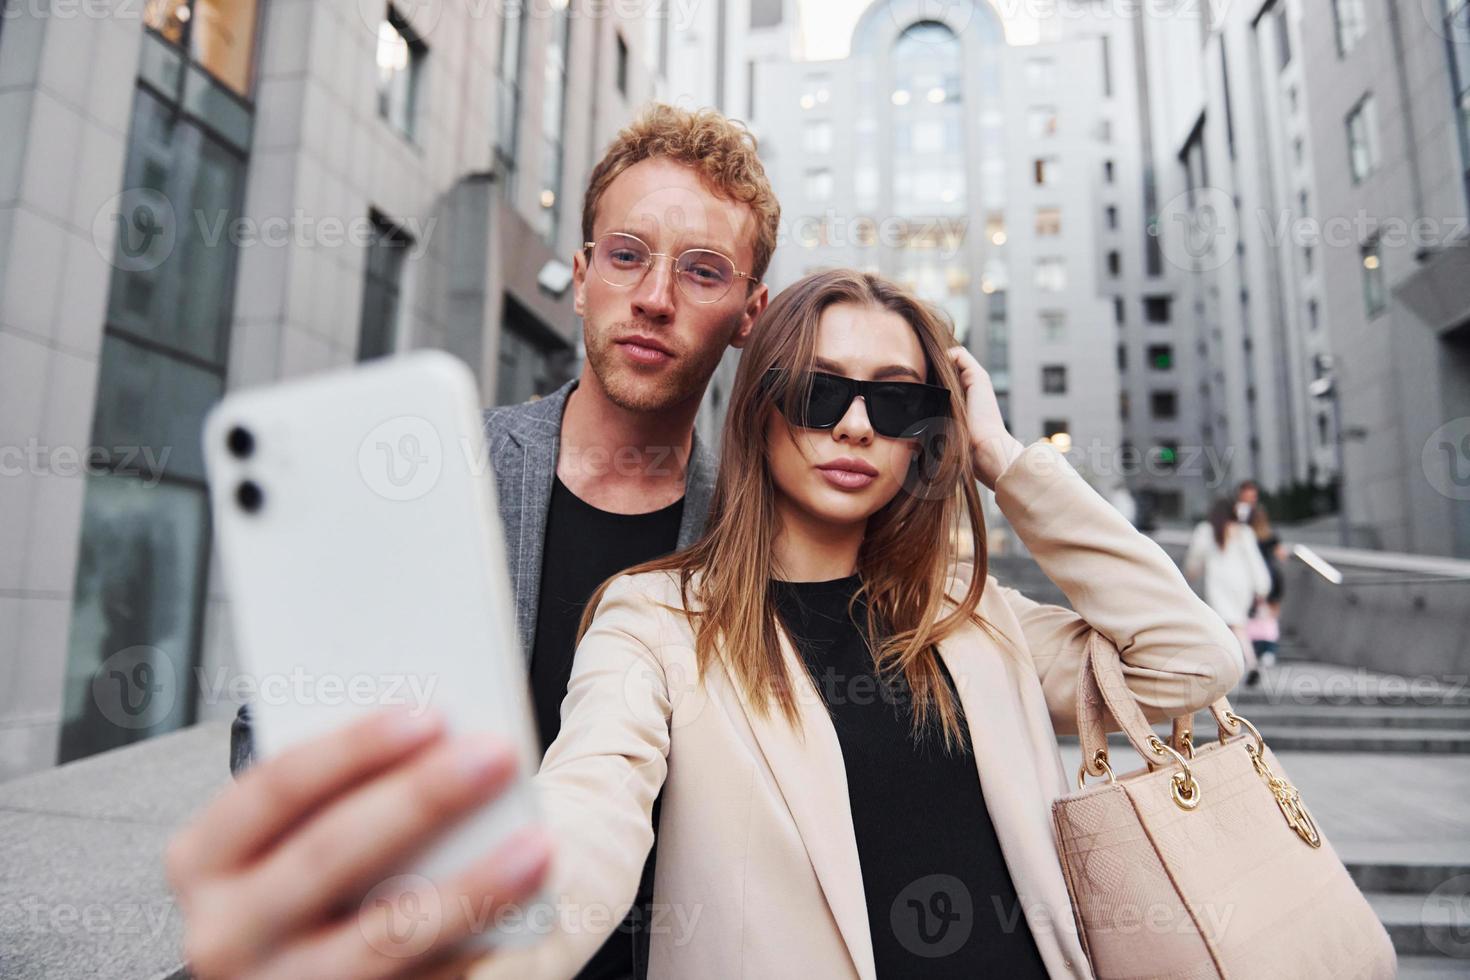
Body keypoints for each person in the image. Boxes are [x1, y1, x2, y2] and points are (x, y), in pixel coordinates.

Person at [463, 270, 1242, 977]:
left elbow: (1191, 659)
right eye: (819, 391)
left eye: (899, 400)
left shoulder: (975, 620)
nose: (858, 426)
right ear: (761, 408)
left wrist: (1002, 458)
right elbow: (590, 807)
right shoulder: (656, 621)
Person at [210, 102, 778, 980]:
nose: (654, 299)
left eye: (703, 272)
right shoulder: (439, 472)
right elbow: (270, 737)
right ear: (583, 274)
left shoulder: (757, 531)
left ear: (750, 311)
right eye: (626, 256)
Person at [1184, 497, 1272, 685]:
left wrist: (1189, 576)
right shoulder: (1243, 531)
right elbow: (1254, 561)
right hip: (1242, 585)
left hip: (1218, 583)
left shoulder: (1206, 531)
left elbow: (1195, 560)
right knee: (1238, 625)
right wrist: (1261, 588)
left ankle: (1221, 668)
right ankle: (1250, 663)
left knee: (1219, 626)